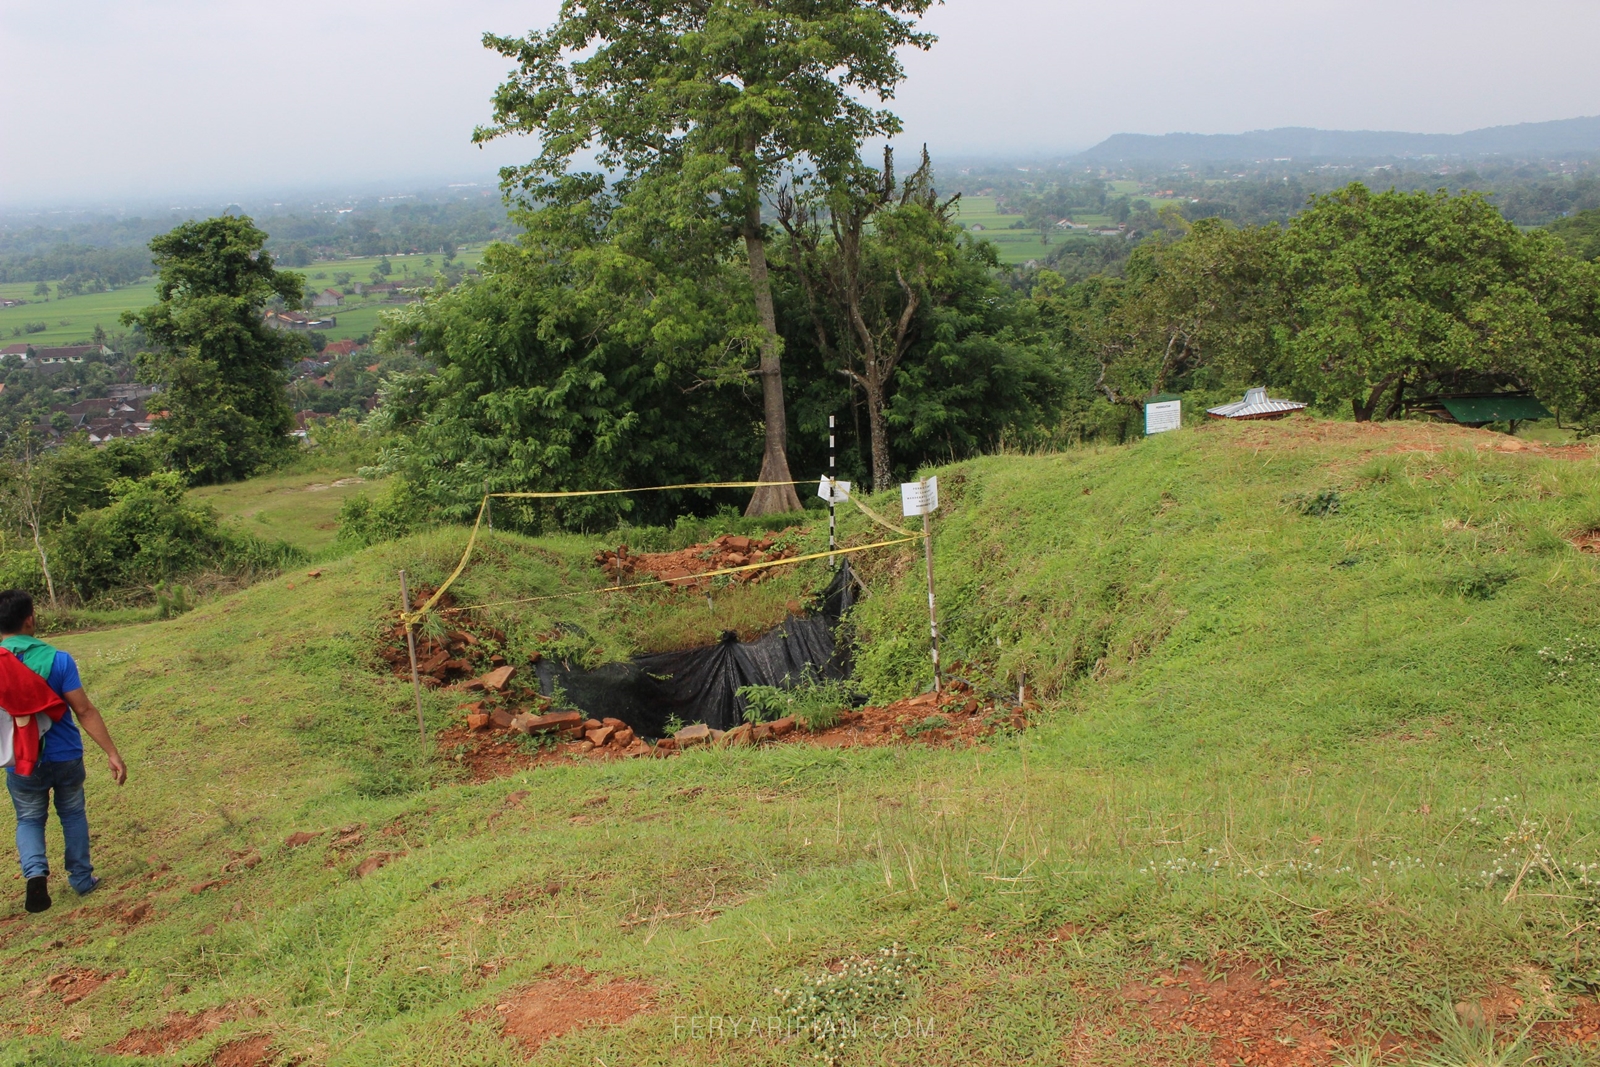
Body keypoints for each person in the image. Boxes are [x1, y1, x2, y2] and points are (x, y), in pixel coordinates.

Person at [0, 589, 125, 913]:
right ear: (30, 619)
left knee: (28, 819)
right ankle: (82, 880)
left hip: (22, 761)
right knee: (72, 813)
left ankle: (36, 873)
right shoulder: (58, 659)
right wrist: (111, 752)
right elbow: (84, 710)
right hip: (66, 754)